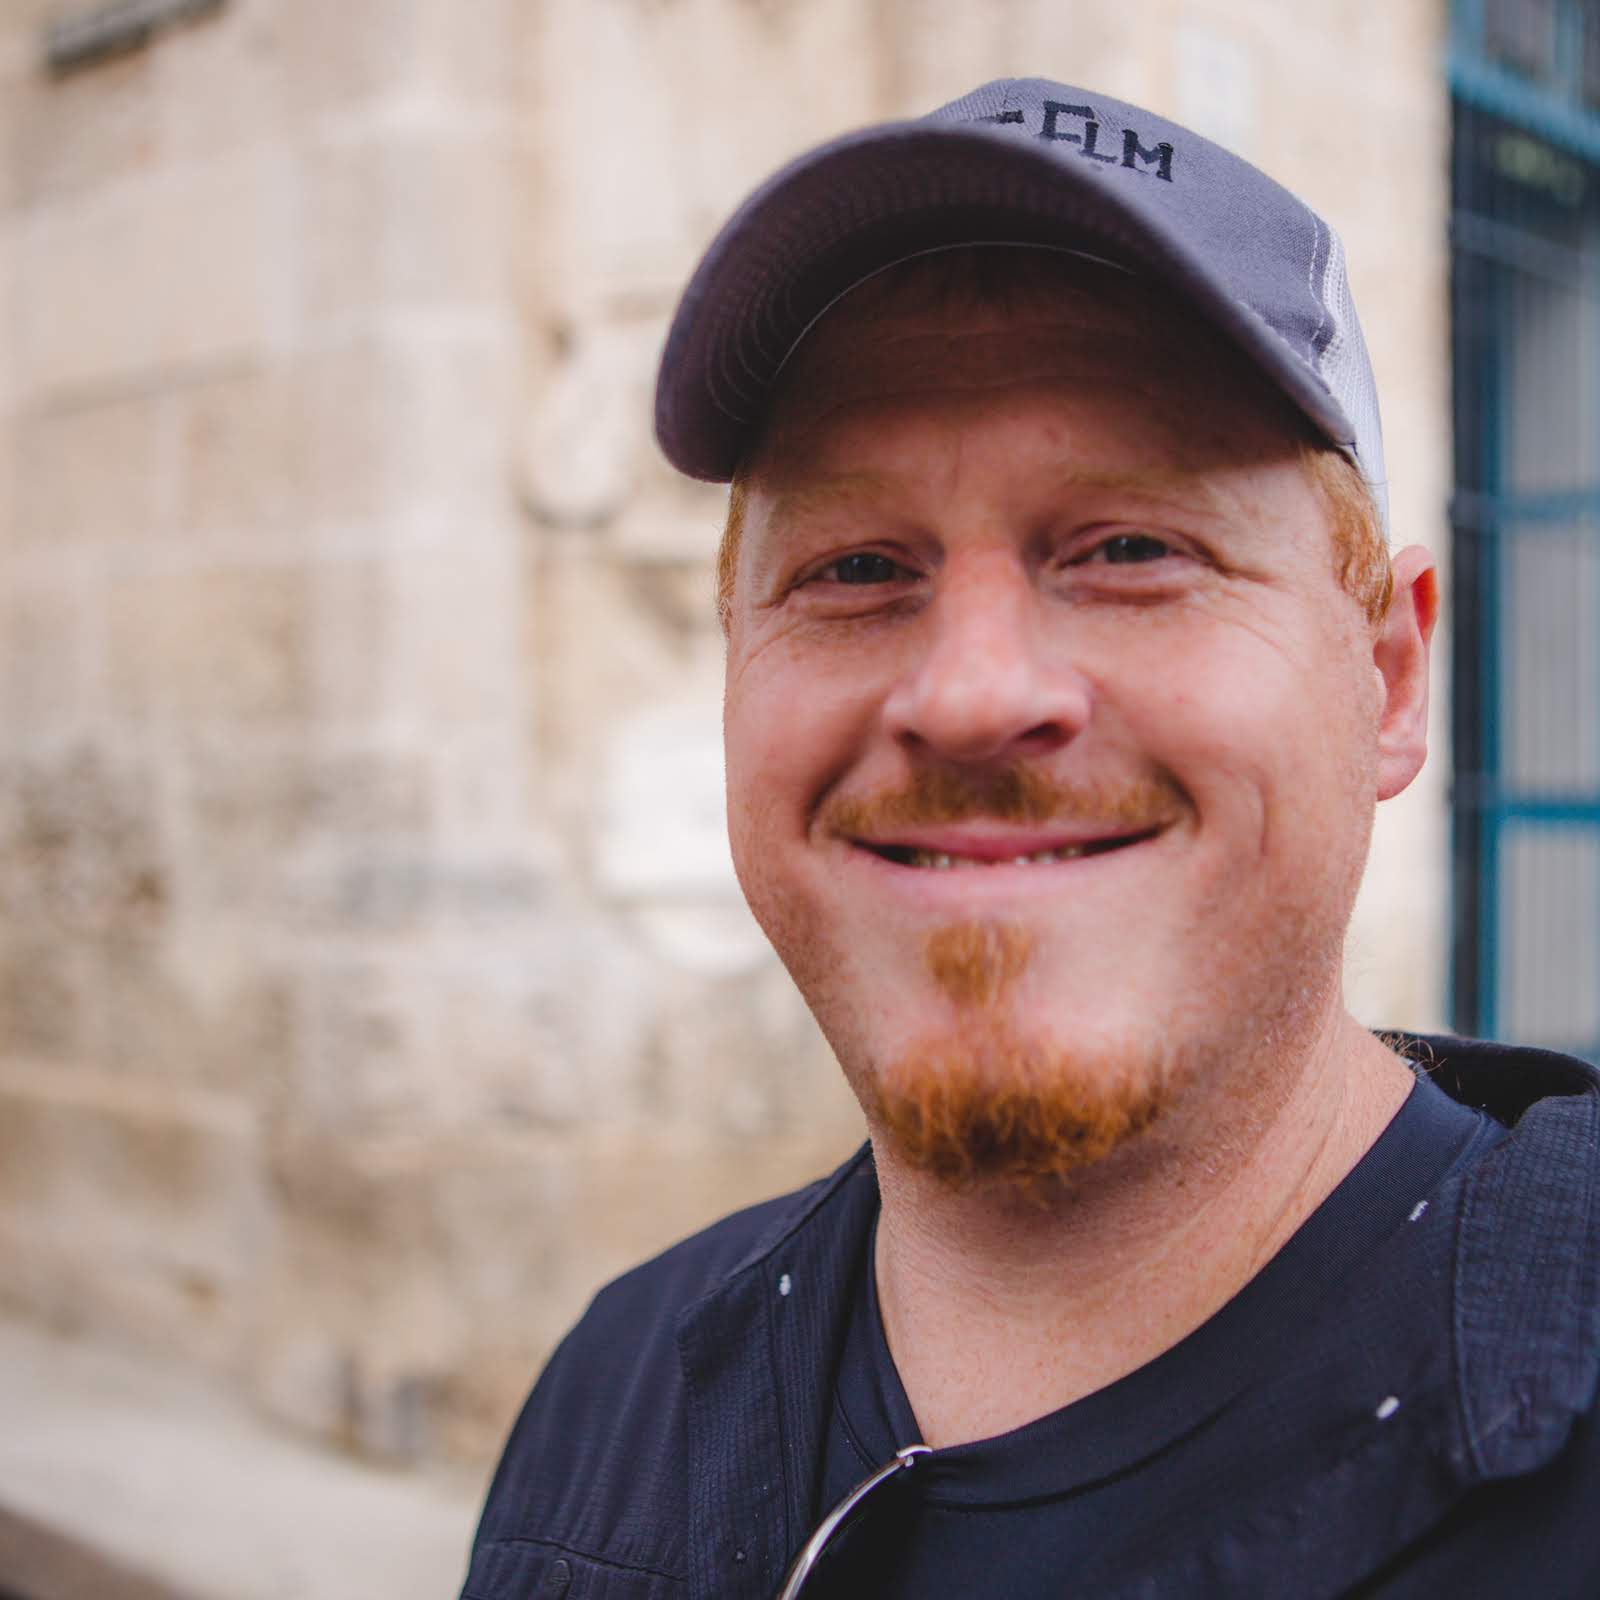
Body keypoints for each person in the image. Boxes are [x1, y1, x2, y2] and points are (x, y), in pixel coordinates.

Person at [461, 78, 1600, 1599]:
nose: (974, 694)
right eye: (859, 566)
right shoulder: (613, 1403)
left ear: (1385, 678)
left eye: (1133, 546)